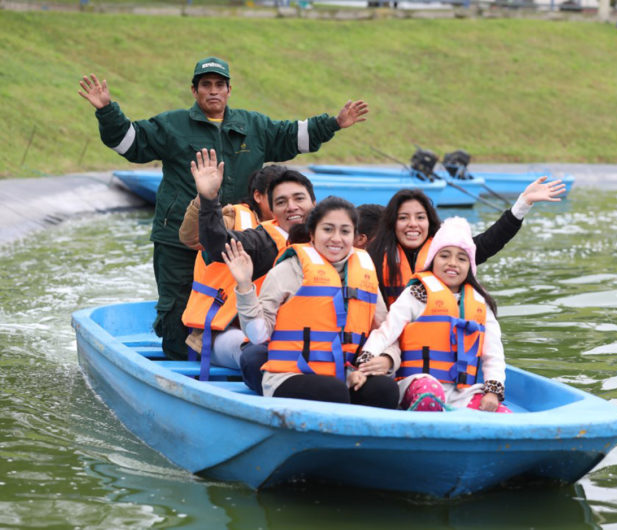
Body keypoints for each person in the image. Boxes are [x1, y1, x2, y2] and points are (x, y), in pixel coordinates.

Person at [78, 56, 368, 359]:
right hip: (178, 241)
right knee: (176, 313)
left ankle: (234, 365)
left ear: (229, 90)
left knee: (233, 310)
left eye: (219, 84)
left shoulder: (253, 125)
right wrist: (107, 111)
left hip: (236, 242)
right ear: (194, 90)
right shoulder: (172, 124)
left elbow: (294, 135)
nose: (213, 91)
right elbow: (130, 143)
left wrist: (333, 123)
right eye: (206, 85)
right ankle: (179, 374)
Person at [221, 197, 399, 407]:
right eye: (328, 229)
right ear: (312, 233)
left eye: (344, 231)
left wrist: (388, 359)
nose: (336, 238)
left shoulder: (365, 272)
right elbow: (257, 334)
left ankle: (363, 440)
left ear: (354, 236)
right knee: (333, 392)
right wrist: (244, 286)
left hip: (345, 375)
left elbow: (387, 333)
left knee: (385, 390)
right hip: (290, 375)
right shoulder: (287, 270)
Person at [358, 217, 512, 413]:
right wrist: (366, 359)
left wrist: (493, 391)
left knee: (502, 414)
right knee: (429, 394)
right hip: (416, 383)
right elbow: (386, 331)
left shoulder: (481, 302)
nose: (452, 263)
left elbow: (494, 355)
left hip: (460, 392)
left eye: (461, 258)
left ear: (470, 266)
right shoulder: (415, 294)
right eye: (444, 256)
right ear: (433, 260)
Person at [366, 177, 566, 307]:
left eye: (420, 217)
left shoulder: (448, 253)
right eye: (403, 218)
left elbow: (489, 242)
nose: (413, 225)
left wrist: (523, 204)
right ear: (392, 222)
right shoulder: (373, 258)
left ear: (429, 221)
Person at [178, 164, 286, 373]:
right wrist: (205, 197)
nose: (287, 205)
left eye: (294, 198)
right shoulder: (234, 218)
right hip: (223, 329)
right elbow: (191, 237)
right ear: (258, 196)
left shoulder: (299, 231)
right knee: (260, 353)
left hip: (272, 325)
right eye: (278, 197)